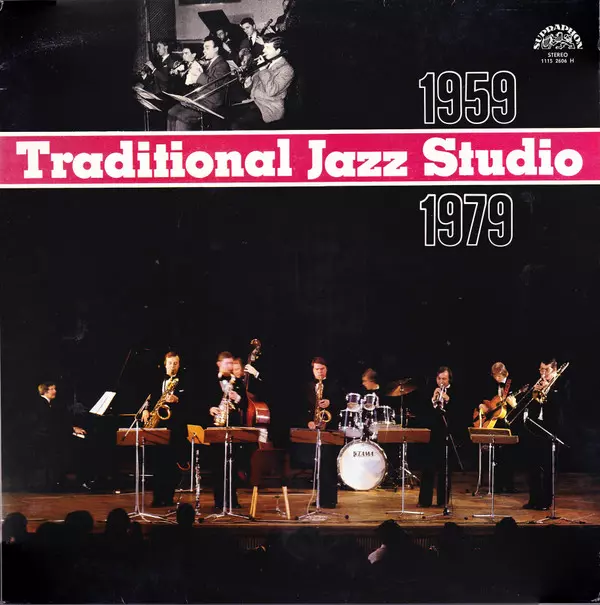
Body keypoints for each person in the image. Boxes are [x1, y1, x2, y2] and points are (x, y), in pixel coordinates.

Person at [142, 351, 188, 507]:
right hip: (158, 427)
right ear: (165, 364)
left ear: (179, 365)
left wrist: (177, 399)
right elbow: (149, 398)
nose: (172, 366)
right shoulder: (157, 381)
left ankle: (168, 498)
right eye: (170, 363)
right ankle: (157, 498)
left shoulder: (184, 382)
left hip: (175, 428)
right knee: (157, 464)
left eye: (175, 363)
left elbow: (191, 402)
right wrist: (146, 410)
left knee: (170, 466)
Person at [522, 358, 567, 510]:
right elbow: (532, 406)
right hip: (536, 428)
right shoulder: (539, 383)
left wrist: (548, 389)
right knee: (532, 466)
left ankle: (546, 502)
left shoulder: (561, 384)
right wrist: (533, 394)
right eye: (541, 369)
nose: (542, 373)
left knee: (548, 468)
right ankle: (533, 499)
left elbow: (563, 403)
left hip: (551, 431)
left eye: (546, 370)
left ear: (554, 370)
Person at [26, 382, 86, 491]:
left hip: (44, 437)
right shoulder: (43, 404)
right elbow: (50, 424)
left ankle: (50, 483)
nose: (55, 391)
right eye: (52, 389)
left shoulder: (46, 403)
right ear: (45, 391)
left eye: (55, 389)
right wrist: (72, 429)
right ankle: (48, 485)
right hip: (43, 438)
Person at [208, 351, 248, 509]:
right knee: (218, 466)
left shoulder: (237, 382)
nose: (231, 366)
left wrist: (237, 398)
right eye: (227, 363)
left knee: (233, 464)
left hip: (233, 426)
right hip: (216, 427)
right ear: (219, 364)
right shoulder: (210, 381)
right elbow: (200, 401)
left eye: (232, 363)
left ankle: (232, 500)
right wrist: (210, 408)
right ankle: (219, 501)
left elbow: (245, 404)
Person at [230, 34, 295, 130]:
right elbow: (255, 88)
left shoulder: (287, 69)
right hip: (255, 102)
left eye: (267, 48)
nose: (263, 51)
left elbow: (271, 91)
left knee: (236, 125)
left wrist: (263, 70)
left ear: (278, 51)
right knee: (226, 114)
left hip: (269, 108)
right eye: (264, 47)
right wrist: (248, 84)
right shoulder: (267, 62)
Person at [303, 357, 343, 508]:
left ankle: (330, 500)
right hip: (315, 428)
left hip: (330, 428)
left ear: (326, 369)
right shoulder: (308, 386)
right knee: (318, 464)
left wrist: (330, 403)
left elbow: (343, 402)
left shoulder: (335, 384)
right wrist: (308, 421)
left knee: (329, 464)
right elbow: (302, 406)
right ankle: (320, 498)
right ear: (313, 370)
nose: (319, 372)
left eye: (322, 369)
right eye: (317, 369)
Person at [166, 36, 229, 131]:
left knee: (182, 117)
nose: (204, 51)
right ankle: (171, 138)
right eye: (204, 48)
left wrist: (199, 75)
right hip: (201, 99)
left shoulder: (222, 64)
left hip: (211, 103)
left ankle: (182, 140)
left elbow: (217, 86)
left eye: (207, 48)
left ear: (216, 49)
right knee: (171, 112)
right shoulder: (209, 63)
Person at [478, 362, 518, 493]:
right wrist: (482, 406)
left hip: (507, 423)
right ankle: (497, 486)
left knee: (508, 456)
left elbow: (517, 405)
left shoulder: (512, 384)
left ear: (505, 373)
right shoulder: (490, 385)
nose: (497, 378)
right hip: (493, 422)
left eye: (499, 376)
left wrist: (512, 404)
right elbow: (484, 400)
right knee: (495, 456)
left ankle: (509, 485)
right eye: (495, 376)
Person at [418, 367, 453, 508]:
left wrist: (448, 400)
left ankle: (442, 501)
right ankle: (424, 501)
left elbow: (459, 412)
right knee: (428, 468)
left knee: (445, 469)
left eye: (444, 379)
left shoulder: (454, 392)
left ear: (449, 379)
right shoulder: (431, 391)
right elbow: (424, 412)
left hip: (447, 433)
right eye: (439, 378)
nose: (441, 382)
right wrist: (433, 400)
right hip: (432, 433)